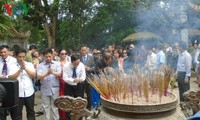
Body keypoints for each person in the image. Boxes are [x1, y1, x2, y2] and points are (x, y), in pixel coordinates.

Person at [37, 48, 61, 120]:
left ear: (52, 56)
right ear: (43, 56)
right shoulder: (40, 65)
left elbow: (59, 74)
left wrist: (52, 72)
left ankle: (56, 119)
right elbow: (39, 76)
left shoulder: (57, 64)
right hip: (45, 89)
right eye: (46, 57)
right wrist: (47, 73)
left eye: (49, 56)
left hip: (55, 89)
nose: (48, 58)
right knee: (45, 107)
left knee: (55, 107)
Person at [12, 48, 36, 120]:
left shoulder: (29, 64)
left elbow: (33, 75)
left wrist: (25, 68)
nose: (21, 59)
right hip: (18, 93)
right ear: (16, 56)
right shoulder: (12, 65)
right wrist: (20, 69)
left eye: (23, 57)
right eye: (19, 57)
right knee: (17, 113)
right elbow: (11, 77)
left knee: (31, 111)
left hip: (29, 92)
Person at [63, 54, 86, 120]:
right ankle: (69, 118)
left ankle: (79, 118)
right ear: (72, 61)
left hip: (79, 85)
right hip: (69, 85)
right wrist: (73, 80)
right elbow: (65, 78)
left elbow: (83, 76)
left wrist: (80, 79)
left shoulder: (81, 65)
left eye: (78, 63)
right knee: (68, 102)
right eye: (75, 63)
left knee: (79, 102)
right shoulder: (66, 66)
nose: (77, 65)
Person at [0, 45, 18, 120]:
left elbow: (14, 74)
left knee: (14, 113)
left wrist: (6, 77)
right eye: (1, 52)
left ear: (8, 52)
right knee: (1, 113)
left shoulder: (14, 60)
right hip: (1, 89)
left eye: (4, 52)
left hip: (11, 88)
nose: (3, 54)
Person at [80, 45, 95, 110]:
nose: (83, 51)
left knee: (89, 93)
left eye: (85, 50)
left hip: (89, 77)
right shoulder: (78, 57)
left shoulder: (91, 57)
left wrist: (89, 68)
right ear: (80, 51)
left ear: (87, 50)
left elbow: (94, 67)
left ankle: (89, 107)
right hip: (80, 78)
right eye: (82, 50)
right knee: (80, 93)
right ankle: (80, 106)